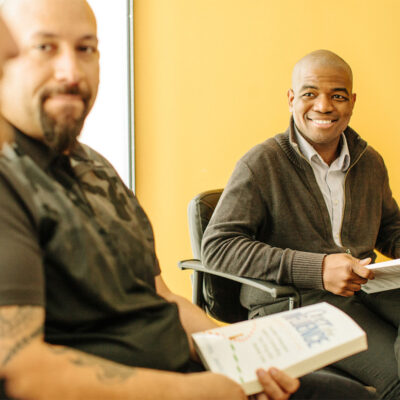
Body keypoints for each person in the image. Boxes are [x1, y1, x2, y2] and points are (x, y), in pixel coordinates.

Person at [0, 1, 377, 399]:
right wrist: (194, 391)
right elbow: (21, 372)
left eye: (86, 48)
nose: (71, 72)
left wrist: (241, 357)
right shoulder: (10, 180)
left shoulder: (95, 167)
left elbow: (160, 294)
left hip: (192, 367)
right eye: (45, 47)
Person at [201, 49, 400, 399]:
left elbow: (389, 229)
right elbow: (218, 247)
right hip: (298, 303)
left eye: (337, 96)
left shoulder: (369, 162)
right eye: (310, 94)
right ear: (292, 99)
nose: (324, 106)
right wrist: (317, 267)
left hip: (365, 290)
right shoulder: (261, 163)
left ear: (352, 101)